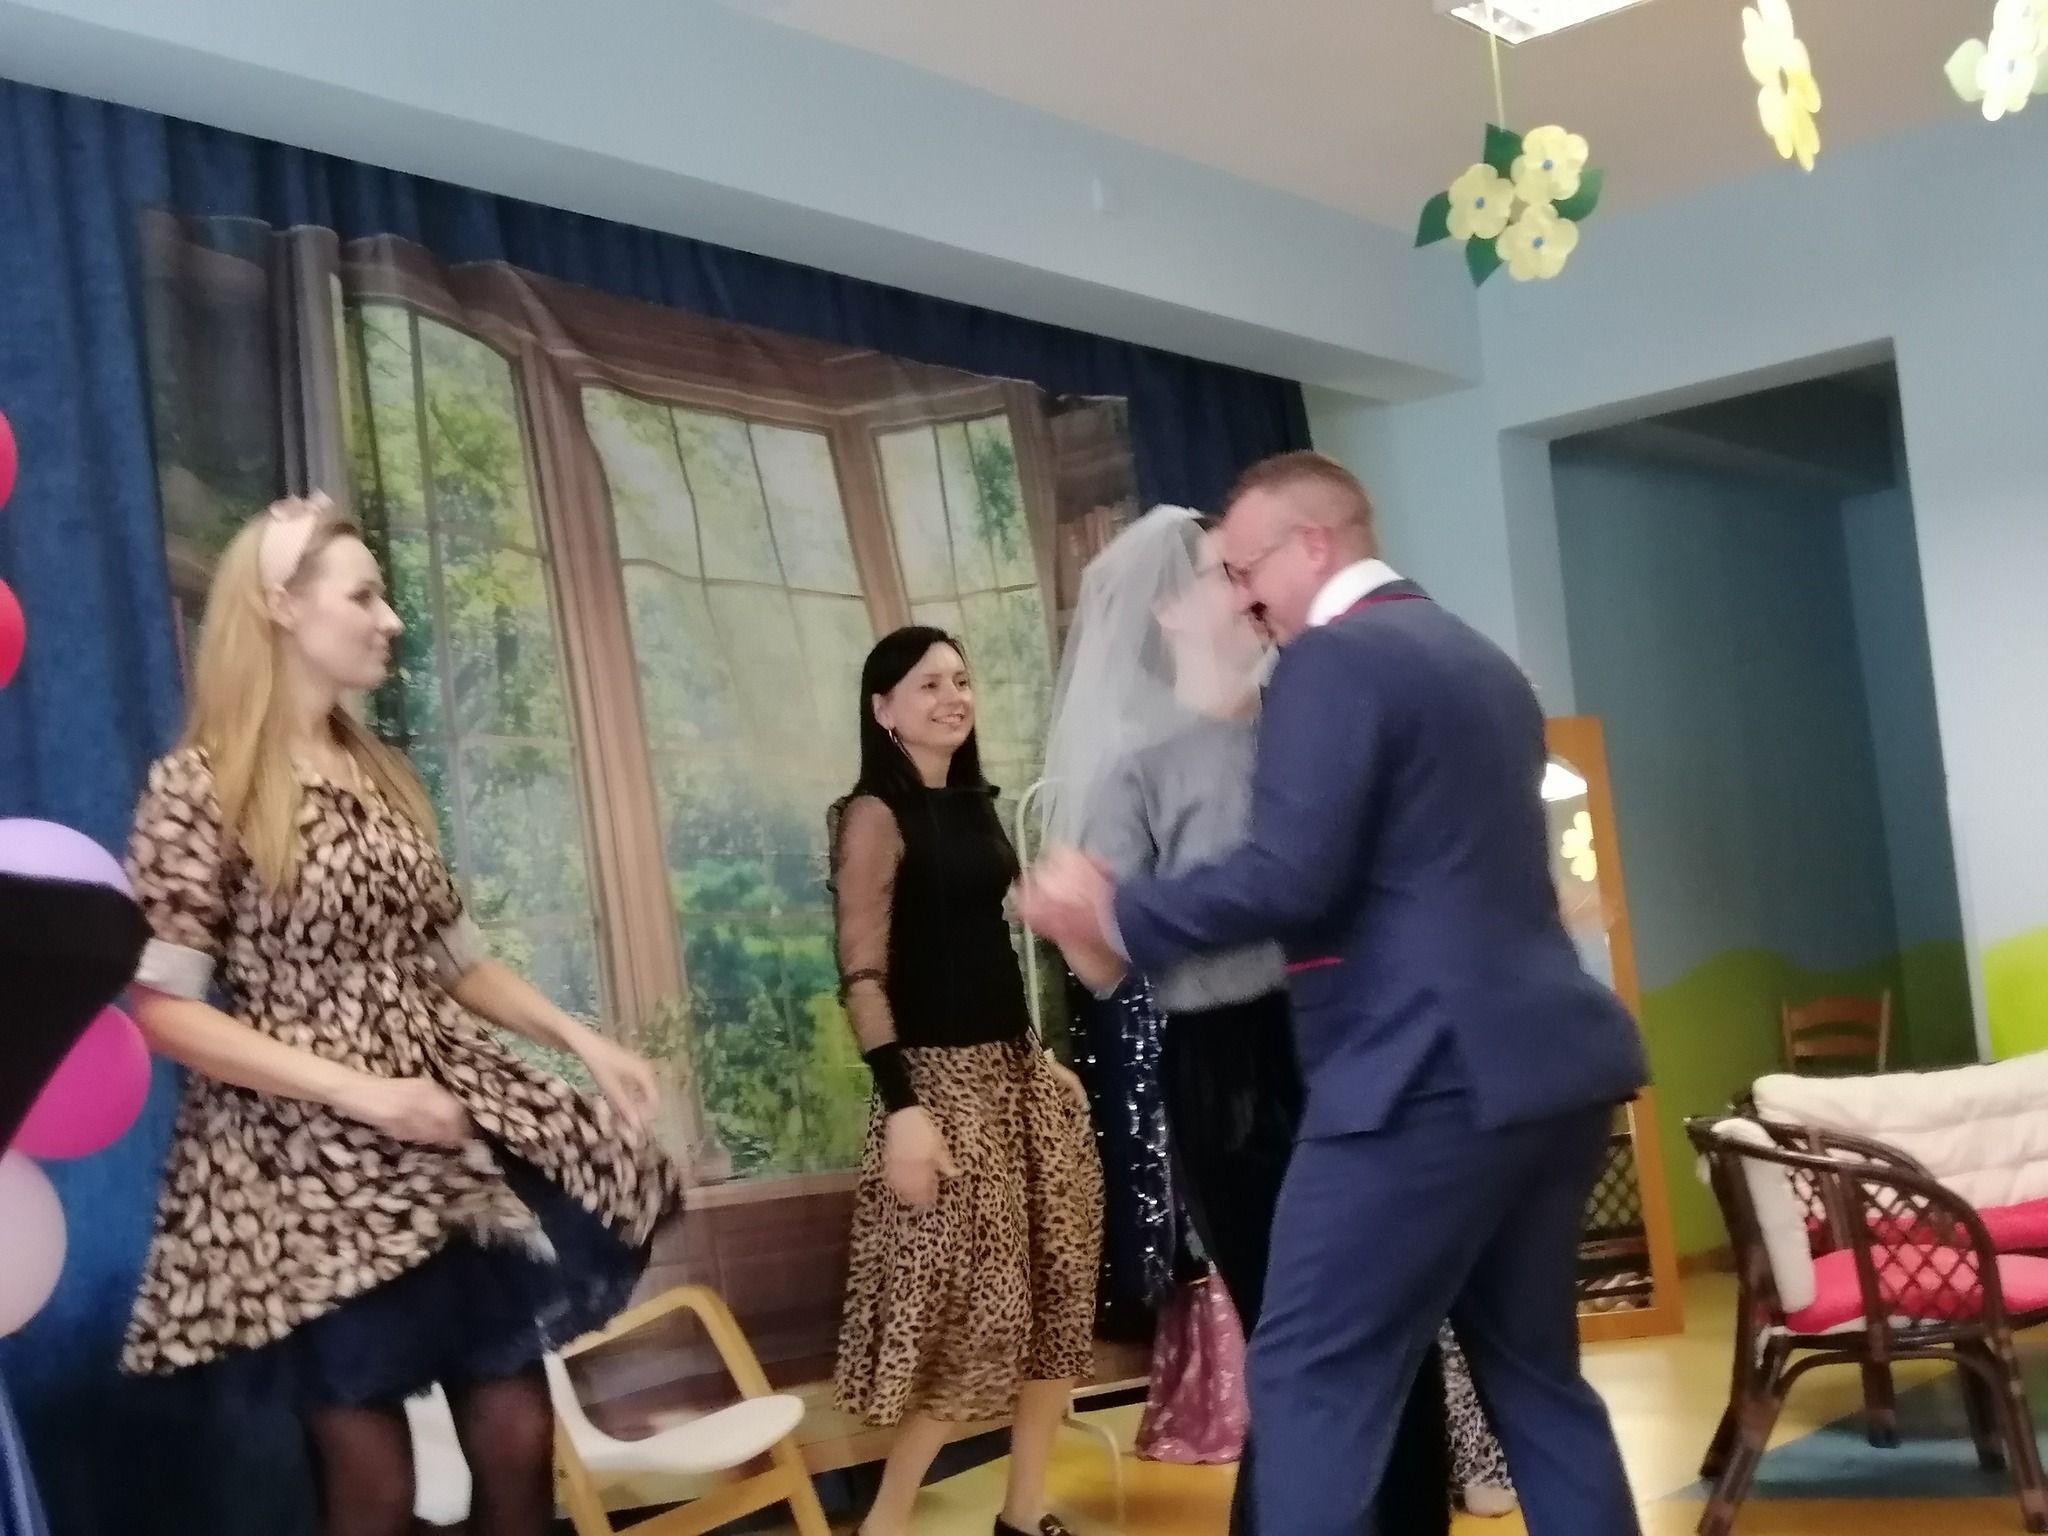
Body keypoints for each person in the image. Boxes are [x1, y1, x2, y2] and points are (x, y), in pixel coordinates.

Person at [1017, 452, 1648, 1536]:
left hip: (1421, 1081)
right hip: (1553, 1076)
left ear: (1311, 544)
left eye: (1245, 566)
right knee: (1540, 1386)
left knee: (1307, 1374)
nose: (1244, 595)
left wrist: (1113, 913)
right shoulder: (1480, 661)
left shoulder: (1331, 662)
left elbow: (1291, 877)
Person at [119, 494, 685, 1536]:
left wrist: (581, 1039)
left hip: (440, 1149)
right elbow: (161, 1012)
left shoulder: (382, 775)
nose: (391, 619)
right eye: (364, 596)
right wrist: (363, 1093)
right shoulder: (199, 787)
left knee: (517, 1435)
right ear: (280, 605)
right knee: (376, 1486)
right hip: (305, 1173)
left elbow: (456, 960)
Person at [828, 626, 1103, 1536]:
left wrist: (1038, 1058)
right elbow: (863, 976)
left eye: (960, 680)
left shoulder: (979, 805)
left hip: (1015, 1076)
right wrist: (904, 1110)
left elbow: (987, 950)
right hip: (936, 1086)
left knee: (1061, 1291)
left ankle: (1023, 1513)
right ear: (884, 709)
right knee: (972, 1317)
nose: (952, 697)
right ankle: (884, 1525)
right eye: (927, 685)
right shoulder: (874, 815)